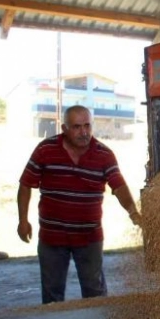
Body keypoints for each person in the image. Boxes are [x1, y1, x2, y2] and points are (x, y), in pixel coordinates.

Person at [16, 105, 142, 304]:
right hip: (52, 237)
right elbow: (25, 184)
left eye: (87, 126)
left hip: (89, 238)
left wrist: (133, 211)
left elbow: (119, 186)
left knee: (95, 292)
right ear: (64, 128)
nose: (84, 133)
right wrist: (23, 220)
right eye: (76, 127)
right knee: (52, 295)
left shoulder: (104, 154)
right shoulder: (45, 149)